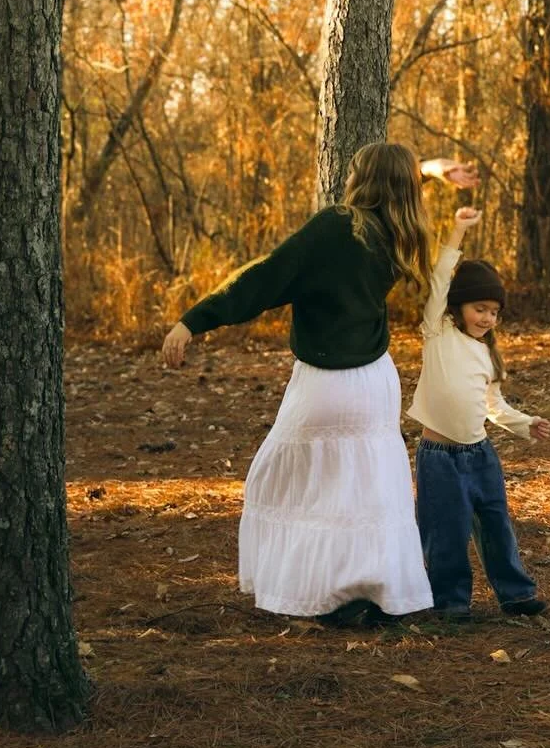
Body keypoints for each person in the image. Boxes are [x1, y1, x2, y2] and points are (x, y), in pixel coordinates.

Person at [160, 144, 475, 626]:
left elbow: (266, 275)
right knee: (367, 490)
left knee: (288, 481)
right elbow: (398, 186)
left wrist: (194, 320)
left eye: (354, 170)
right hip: (375, 381)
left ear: (361, 180)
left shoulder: (337, 225)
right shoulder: (400, 231)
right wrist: (430, 170)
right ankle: (377, 591)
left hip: (326, 383)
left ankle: (329, 593)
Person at [407, 210, 550, 619]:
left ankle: (516, 594)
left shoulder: (488, 354)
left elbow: (494, 406)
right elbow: (440, 278)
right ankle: (451, 601)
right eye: (479, 308)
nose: (487, 318)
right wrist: (458, 230)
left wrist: (525, 423)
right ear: (457, 306)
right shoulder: (438, 332)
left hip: (480, 455)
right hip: (439, 457)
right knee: (445, 529)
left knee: (495, 524)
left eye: (494, 312)